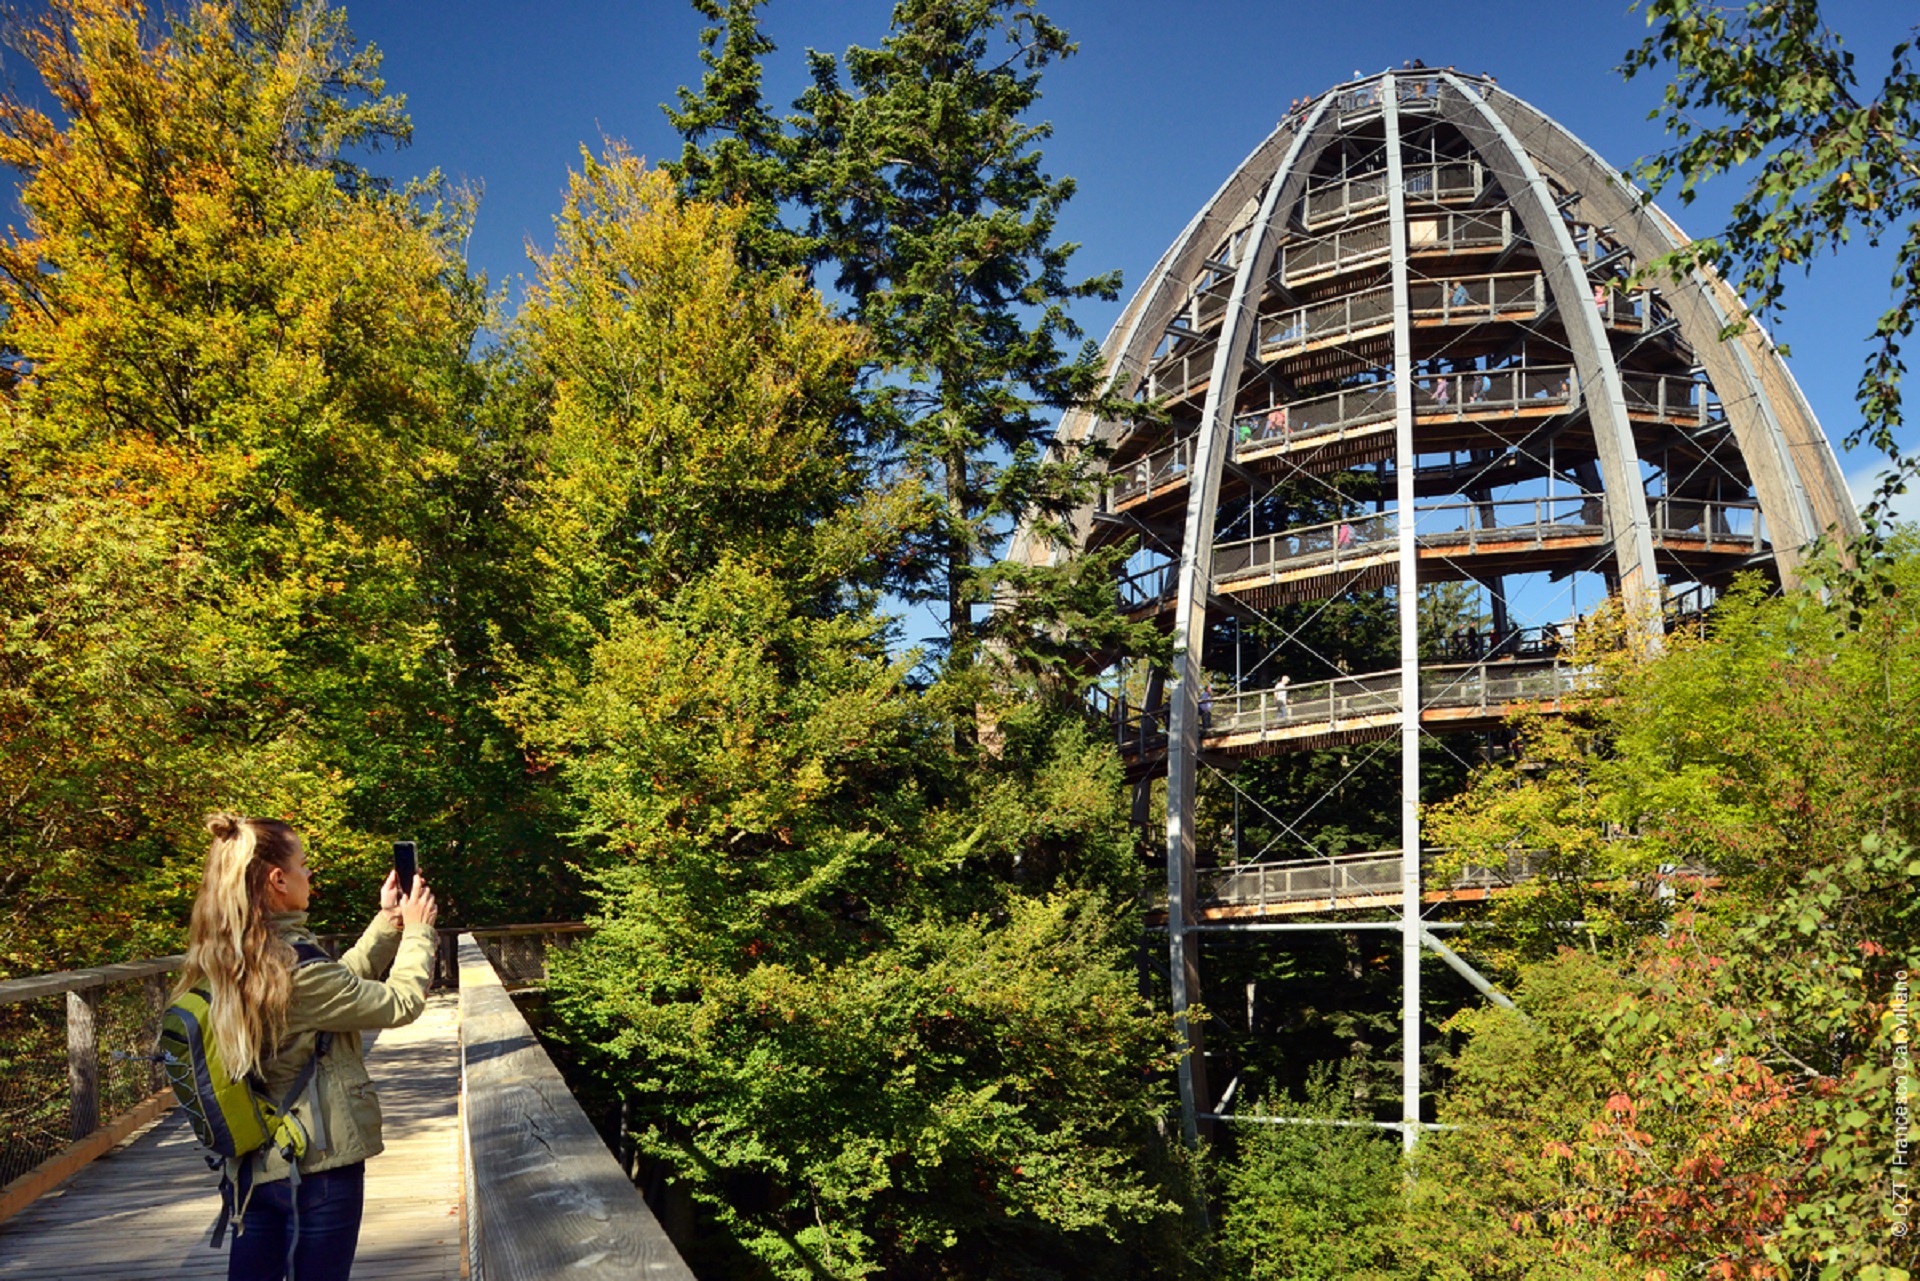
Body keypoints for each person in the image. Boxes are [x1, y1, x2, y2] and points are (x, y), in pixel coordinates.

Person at [178, 814, 439, 1281]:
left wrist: (387, 923)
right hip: (316, 1168)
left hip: (254, 1166)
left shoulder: (231, 955)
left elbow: (334, 989)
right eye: (302, 865)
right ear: (277, 880)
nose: (309, 874)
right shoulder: (290, 964)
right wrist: (419, 931)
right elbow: (401, 1003)